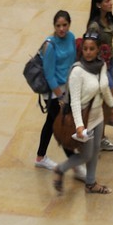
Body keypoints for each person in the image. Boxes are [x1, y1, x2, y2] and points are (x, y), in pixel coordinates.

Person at [52, 33, 113, 196]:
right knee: (86, 154)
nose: (88, 52)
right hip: (84, 119)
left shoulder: (101, 65)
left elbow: (104, 88)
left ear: (97, 51)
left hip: (98, 117)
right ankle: (60, 169)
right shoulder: (77, 72)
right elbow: (74, 101)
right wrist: (80, 126)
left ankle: (91, 183)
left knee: (95, 151)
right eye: (85, 49)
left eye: (92, 49)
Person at [34, 9, 77, 171]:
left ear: (69, 25)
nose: (61, 29)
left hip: (66, 89)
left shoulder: (71, 38)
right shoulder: (50, 45)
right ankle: (75, 164)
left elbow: (72, 62)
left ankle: (40, 157)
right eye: (58, 25)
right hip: (53, 92)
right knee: (62, 126)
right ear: (54, 26)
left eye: (65, 25)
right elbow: (49, 74)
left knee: (51, 123)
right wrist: (60, 97)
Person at [87, 0, 113, 152]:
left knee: (107, 102)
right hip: (101, 67)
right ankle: (100, 137)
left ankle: (99, 134)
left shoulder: (109, 18)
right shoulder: (94, 26)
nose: (111, 2)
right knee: (108, 101)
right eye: (107, 0)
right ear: (98, 5)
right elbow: (89, 49)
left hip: (110, 63)